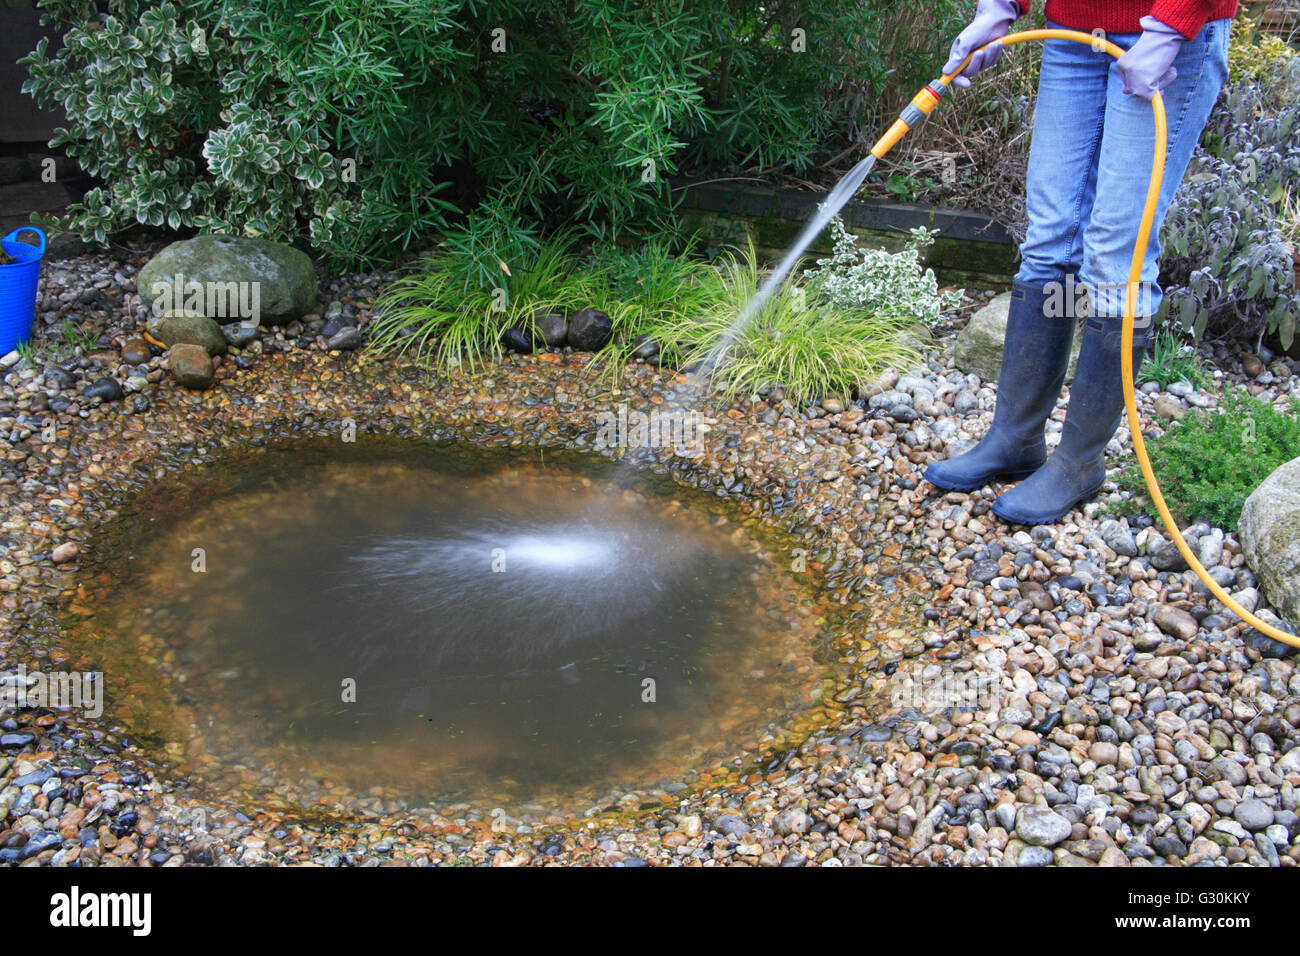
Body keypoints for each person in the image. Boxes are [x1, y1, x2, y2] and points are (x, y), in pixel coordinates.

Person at [924, 0, 1236, 524]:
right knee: (1050, 238)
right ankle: (1016, 438)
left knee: (1119, 252)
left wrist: (1172, 24)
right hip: (1073, 31)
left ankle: (1079, 463)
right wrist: (999, 8)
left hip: (1167, 32)